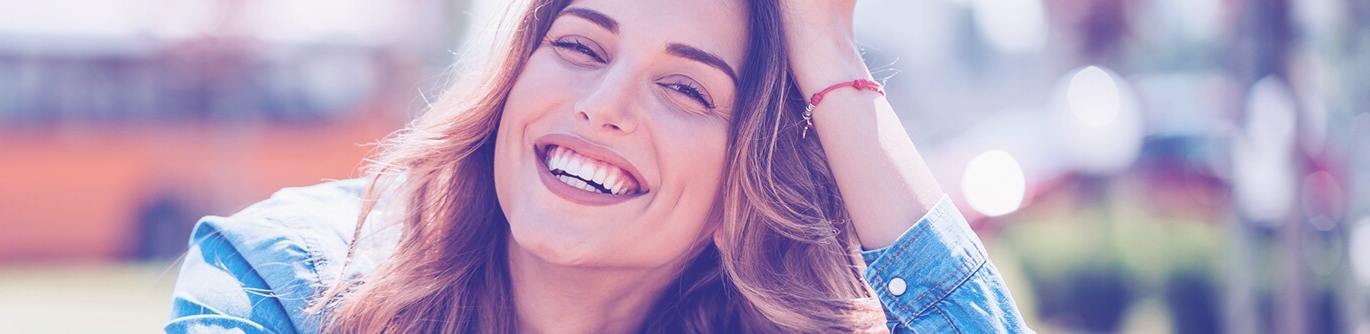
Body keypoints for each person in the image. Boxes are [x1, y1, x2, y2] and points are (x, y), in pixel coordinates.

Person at [167, 0, 1032, 332]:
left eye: (687, 91)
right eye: (580, 45)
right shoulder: (283, 277)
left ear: (747, 181)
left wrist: (824, 44)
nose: (606, 103)